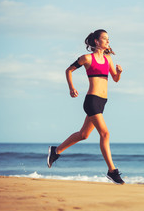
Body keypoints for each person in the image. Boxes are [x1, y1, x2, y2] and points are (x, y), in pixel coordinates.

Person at [47, 29, 124, 185]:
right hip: (92, 100)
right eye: (105, 39)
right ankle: (112, 171)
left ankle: (56, 151)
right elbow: (69, 70)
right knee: (105, 134)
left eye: (108, 39)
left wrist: (120, 72)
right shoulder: (87, 58)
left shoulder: (108, 59)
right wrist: (71, 88)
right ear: (97, 41)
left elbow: (115, 79)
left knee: (83, 135)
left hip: (102, 102)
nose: (108, 41)